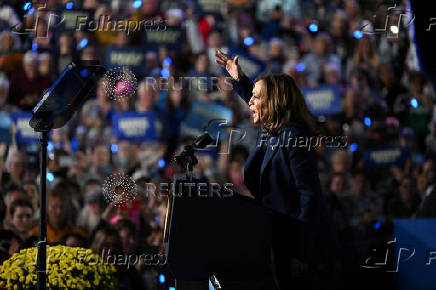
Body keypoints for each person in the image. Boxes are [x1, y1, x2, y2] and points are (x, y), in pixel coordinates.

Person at [215, 49, 338, 290]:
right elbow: (256, 96)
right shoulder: (274, 133)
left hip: (301, 251)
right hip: (280, 241)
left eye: (257, 97)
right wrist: (239, 79)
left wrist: (301, 252)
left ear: (274, 103)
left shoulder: (292, 137)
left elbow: (309, 197)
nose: (250, 101)